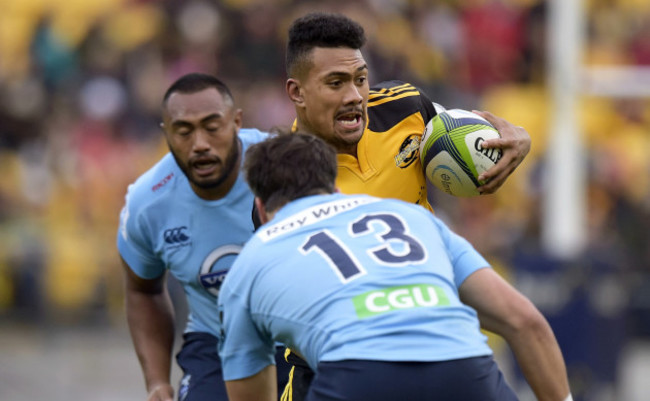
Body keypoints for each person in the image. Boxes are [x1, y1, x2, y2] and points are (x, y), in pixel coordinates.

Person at [279, 12, 533, 399]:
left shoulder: (405, 107)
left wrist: (517, 139)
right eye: (335, 83)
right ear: (297, 92)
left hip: (430, 325)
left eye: (360, 79)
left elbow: (465, 132)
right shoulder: (284, 184)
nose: (354, 96)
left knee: (526, 322)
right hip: (332, 362)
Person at [218, 133, 572, 401]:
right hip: (464, 366)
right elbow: (524, 321)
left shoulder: (252, 258)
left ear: (262, 209)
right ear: (336, 188)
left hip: (357, 374)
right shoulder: (411, 216)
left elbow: (250, 390)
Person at [116, 73, 290, 401]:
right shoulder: (146, 204)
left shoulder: (285, 166)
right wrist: (156, 381)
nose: (200, 144)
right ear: (166, 133)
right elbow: (143, 291)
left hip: (297, 337)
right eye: (183, 131)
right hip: (216, 342)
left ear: (236, 122)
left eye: (212, 127)